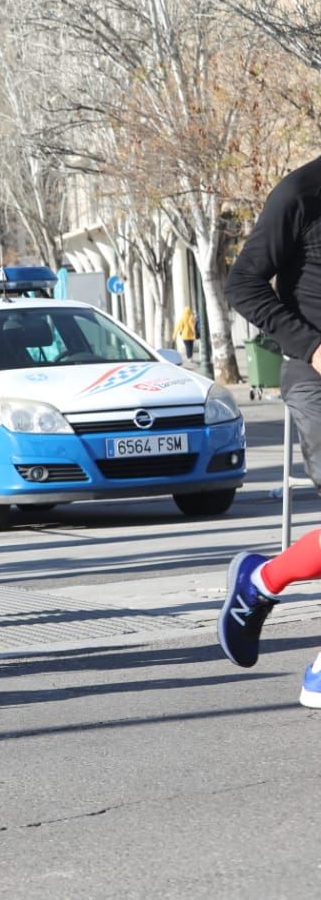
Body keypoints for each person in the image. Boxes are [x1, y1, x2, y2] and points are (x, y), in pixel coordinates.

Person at [219, 152, 321, 707]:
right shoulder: (301, 193)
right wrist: (313, 346)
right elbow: (244, 285)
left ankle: (261, 581)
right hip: (313, 372)